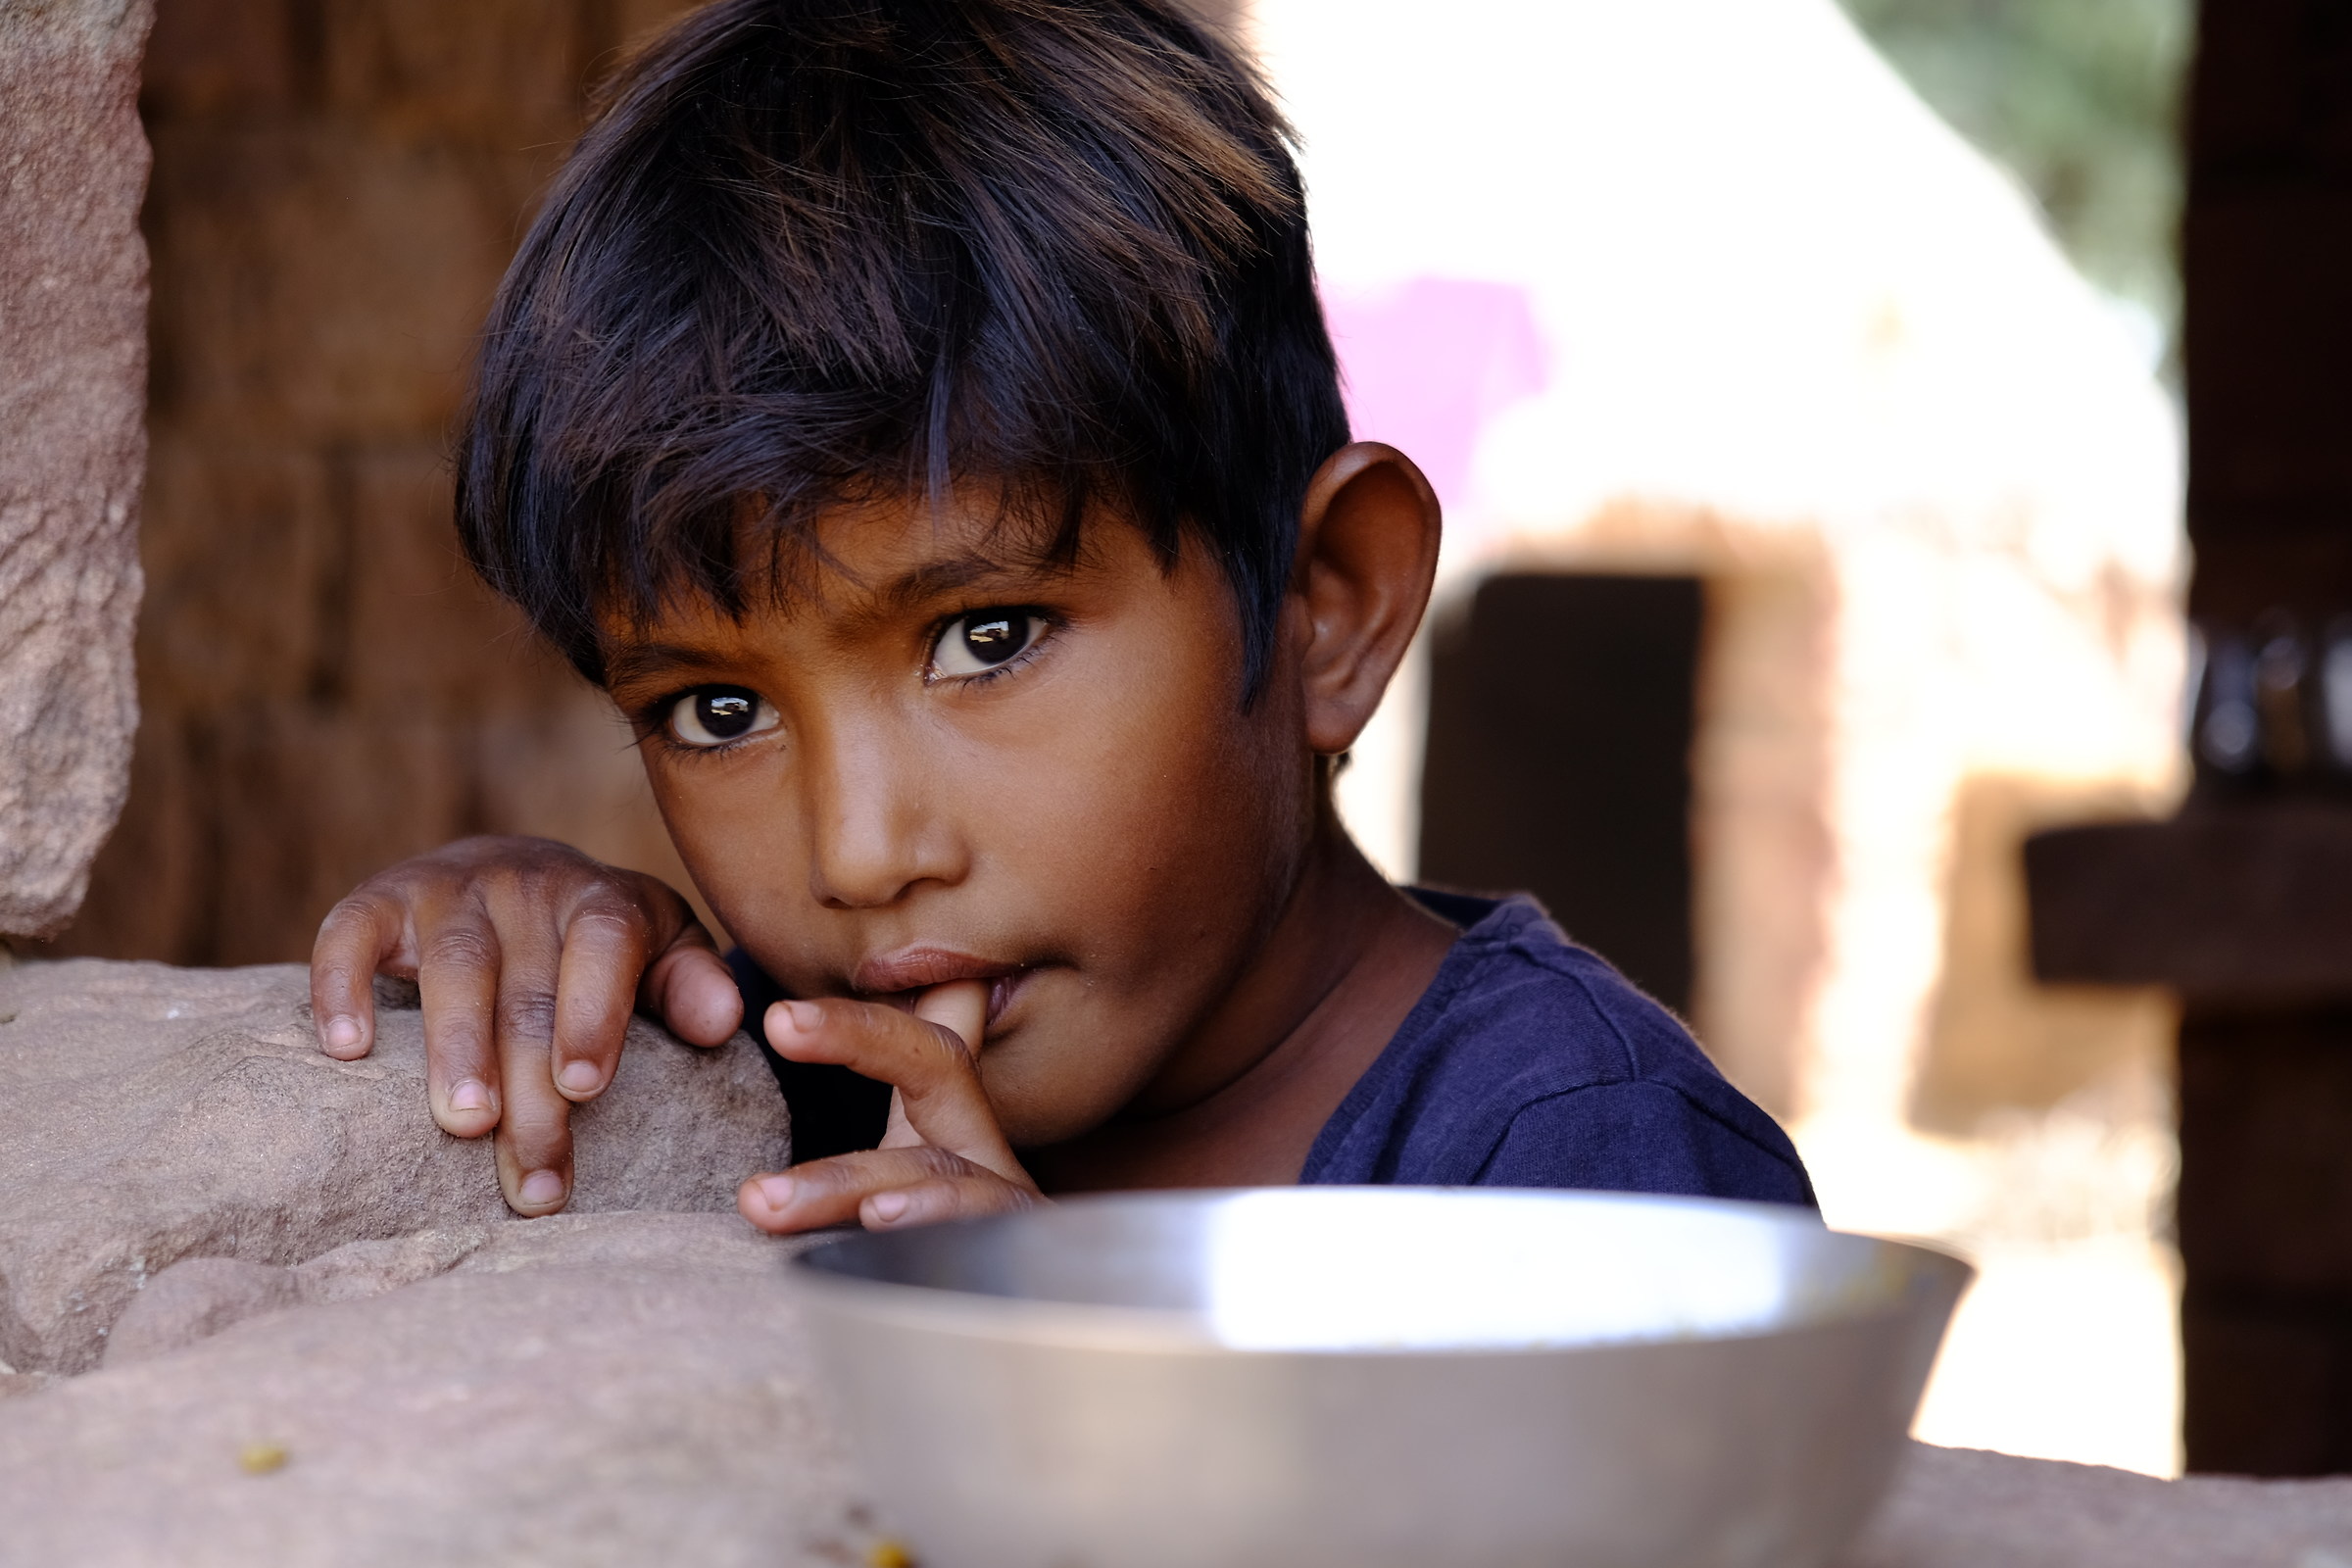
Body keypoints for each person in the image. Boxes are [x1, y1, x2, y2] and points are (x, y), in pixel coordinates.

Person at [307, 0, 1813, 1233]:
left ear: (1328, 610)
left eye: (988, 637)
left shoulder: (1588, 1172)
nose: (862, 855)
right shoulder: (766, 1066)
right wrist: (541, 940)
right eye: (718, 711)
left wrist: (1055, 1380)